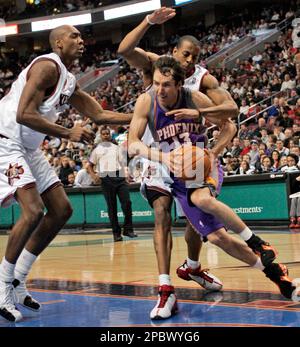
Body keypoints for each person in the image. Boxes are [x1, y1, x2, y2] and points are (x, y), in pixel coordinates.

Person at [128, 56, 295, 319]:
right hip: (173, 173)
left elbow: (229, 123)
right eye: (158, 83)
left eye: (167, 85)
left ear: (180, 84)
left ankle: (257, 242)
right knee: (217, 237)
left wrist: (214, 152)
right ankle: (275, 273)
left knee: (203, 199)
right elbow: (133, 144)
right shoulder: (146, 101)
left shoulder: (195, 99)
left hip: (200, 166)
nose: (160, 89)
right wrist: (162, 158)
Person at [0, 25, 132, 323]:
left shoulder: (68, 79)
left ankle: (19, 279)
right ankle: (3, 285)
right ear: (58, 42)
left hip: (28, 148)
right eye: (74, 36)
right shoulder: (47, 66)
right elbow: (23, 114)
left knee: (61, 210)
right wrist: (67, 132)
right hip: (6, 141)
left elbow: (98, 114)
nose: (82, 40)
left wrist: (143, 116)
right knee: (33, 212)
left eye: (82, 36)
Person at [117, 7, 240, 298]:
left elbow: (231, 115)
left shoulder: (204, 80)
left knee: (196, 217)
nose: (189, 60)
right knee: (161, 212)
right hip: (157, 154)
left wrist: (214, 151)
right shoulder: (158, 65)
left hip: (191, 155)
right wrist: (148, 21)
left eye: (194, 57)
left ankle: (194, 266)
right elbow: (124, 49)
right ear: (174, 51)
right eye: (185, 54)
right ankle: (164, 285)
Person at [88, 126, 137, 242]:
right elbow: (89, 165)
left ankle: (128, 229)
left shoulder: (117, 148)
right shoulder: (96, 150)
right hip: (106, 177)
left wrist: (126, 175)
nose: (106, 135)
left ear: (110, 135)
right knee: (112, 207)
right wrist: (94, 176)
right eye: (103, 134)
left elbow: (123, 163)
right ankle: (116, 233)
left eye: (107, 134)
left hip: (119, 176)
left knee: (127, 203)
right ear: (100, 136)